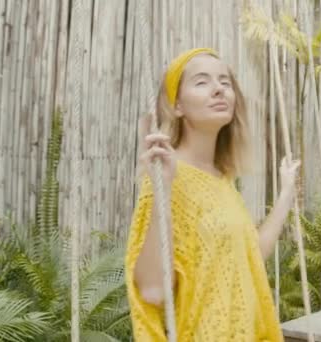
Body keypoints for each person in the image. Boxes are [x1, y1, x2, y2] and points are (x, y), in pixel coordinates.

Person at [125, 48, 300, 341]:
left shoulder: (222, 180)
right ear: (177, 105)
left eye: (225, 82)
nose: (219, 89)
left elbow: (250, 255)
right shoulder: (167, 174)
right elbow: (152, 290)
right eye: (202, 82)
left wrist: (286, 195)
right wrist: (162, 191)